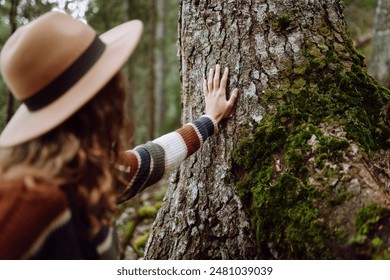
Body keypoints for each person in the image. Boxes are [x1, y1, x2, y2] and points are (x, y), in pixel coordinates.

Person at [0, 12, 238, 259]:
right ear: (104, 101)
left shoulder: (82, 169)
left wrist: (209, 121)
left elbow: (146, 163)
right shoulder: (24, 206)